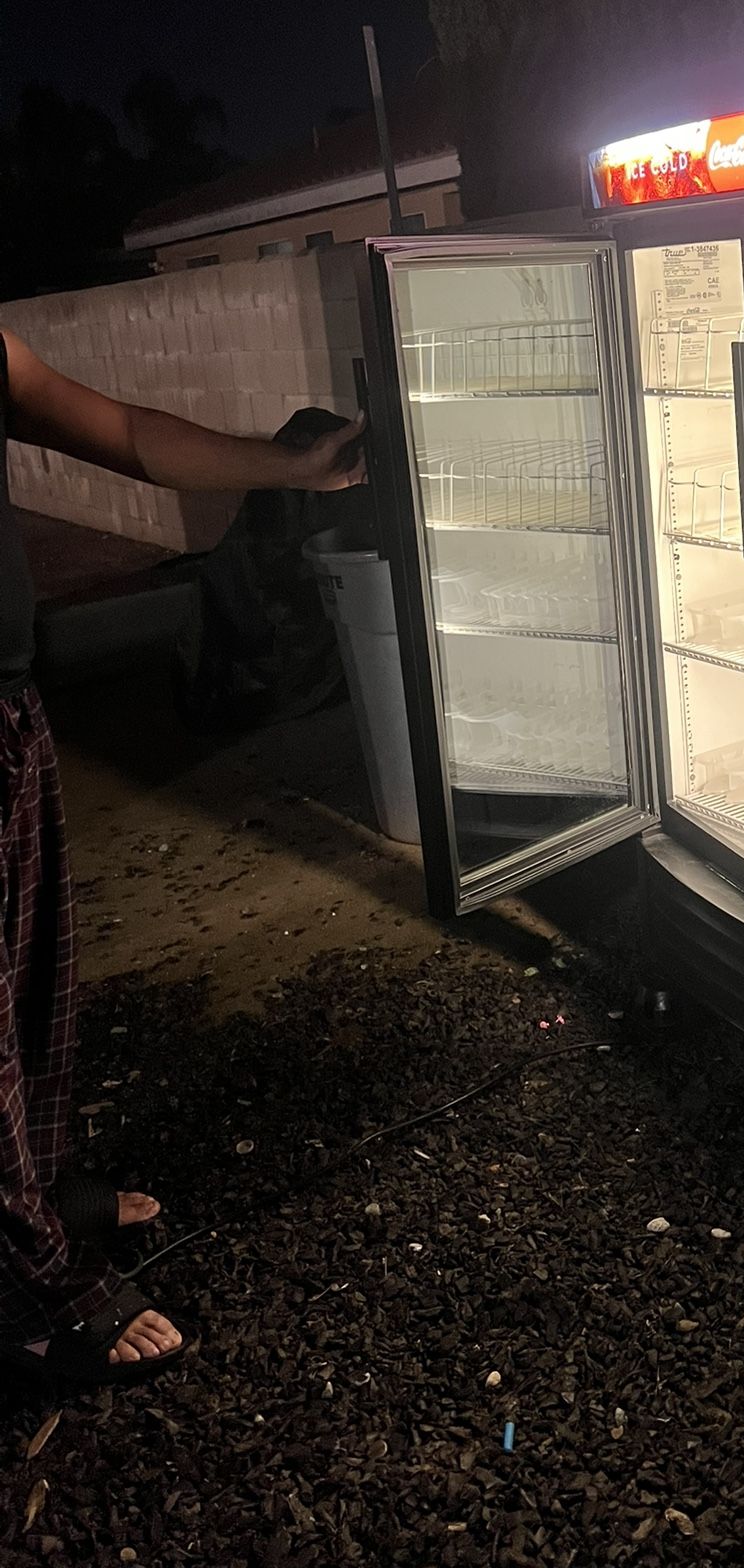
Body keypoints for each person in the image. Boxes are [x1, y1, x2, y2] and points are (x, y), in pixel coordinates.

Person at [0, 326, 364, 1385]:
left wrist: (292, 463)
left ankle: (35, 1196)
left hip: (8, 704)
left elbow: (118, 429)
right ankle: (31, 1299)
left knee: (27, 986)